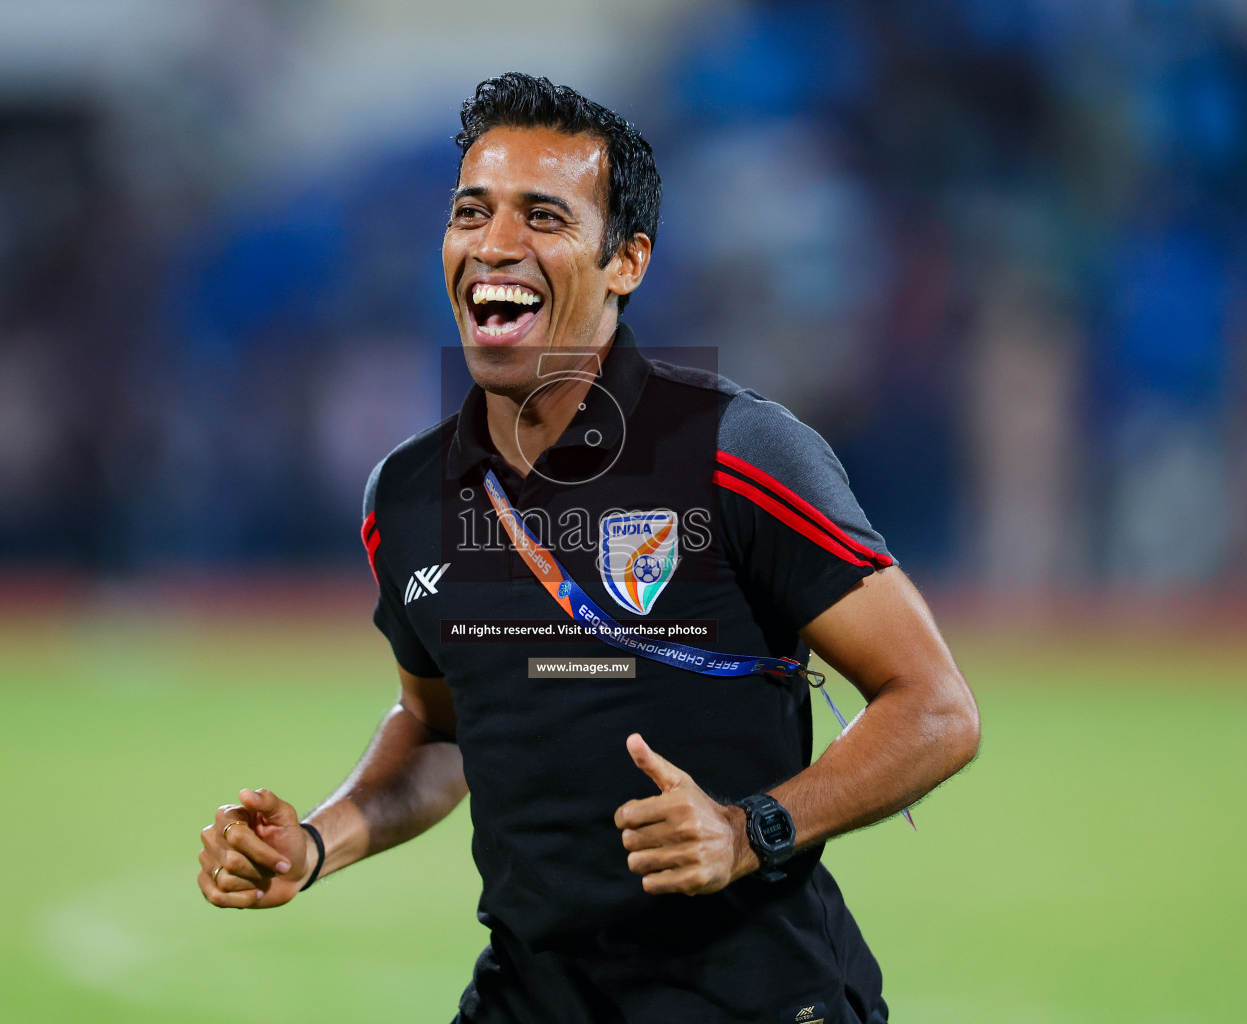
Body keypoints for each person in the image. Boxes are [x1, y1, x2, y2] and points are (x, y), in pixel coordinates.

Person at [198, 72, 980, 1023]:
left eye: (543, 217)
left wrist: (747, 831)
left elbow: (936, 709)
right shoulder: (403, 499)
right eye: (472, 211)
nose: (495, 245)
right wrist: (316, 842)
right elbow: (444, 731)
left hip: (758, 1003)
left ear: (627, 261)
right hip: (528, 999)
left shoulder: (738, 453)